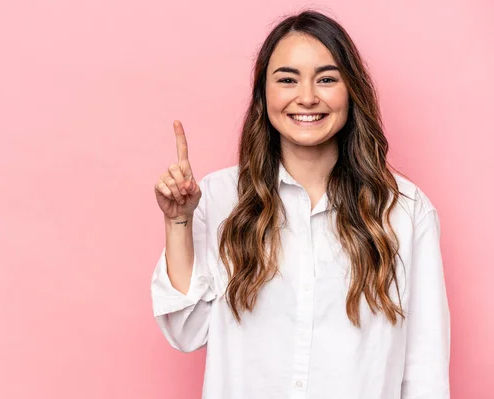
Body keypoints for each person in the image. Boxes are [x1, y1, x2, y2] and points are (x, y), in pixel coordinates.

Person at [151, 10, 450, 399]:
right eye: (287, 79)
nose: (307, 97)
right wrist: (178, 223)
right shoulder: (221, 197)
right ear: (263, 94)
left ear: (351, 91)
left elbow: (425, 370)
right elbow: (185, 332)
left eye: (326, 79)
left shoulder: (406, 212)